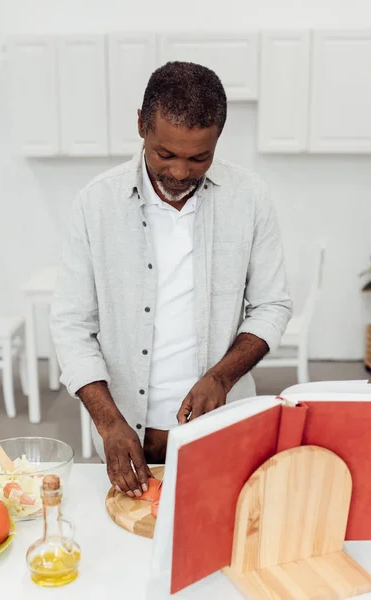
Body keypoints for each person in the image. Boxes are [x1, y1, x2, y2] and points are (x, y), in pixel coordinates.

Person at [51, 61, 292, 498]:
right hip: (128, 440)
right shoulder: (95, 204)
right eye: (166, 154)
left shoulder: (250, 198)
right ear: (142, 126)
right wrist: (109, 423)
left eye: (199, 157)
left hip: (225, 431)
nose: (180, 173)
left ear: (218, 137)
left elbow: (272, 306)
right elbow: (71, 325)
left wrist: (220, 379)